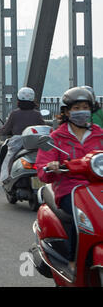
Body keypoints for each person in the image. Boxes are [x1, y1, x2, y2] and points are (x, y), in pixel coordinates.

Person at [36, 86, 103, 274]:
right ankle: (74, 260)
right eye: (76, 108)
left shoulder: (100, 134)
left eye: (85, 107)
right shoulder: (56, 137)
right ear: (66, 112)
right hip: (70, 189)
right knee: (80, 217)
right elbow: (42, 169)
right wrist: (51, 166)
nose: (82, 111)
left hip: (98, 188)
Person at [0, 87, 46, 185]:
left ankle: (7, 178)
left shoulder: (14, 113)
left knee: (9, 158)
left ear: (19, 100)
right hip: (34, 142)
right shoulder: (37, 114)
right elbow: (43, 127)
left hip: (18, 141)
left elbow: (6, 129)